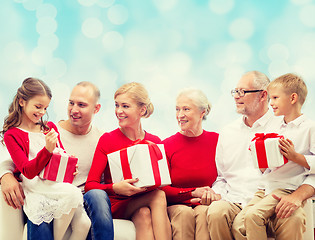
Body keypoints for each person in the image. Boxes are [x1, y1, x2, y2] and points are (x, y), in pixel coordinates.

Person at [206, 71, 315, 240]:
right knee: (219, 214)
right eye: (234, 91)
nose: (236, 96)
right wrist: (216, 194)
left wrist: (297, 195)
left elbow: (302, 167)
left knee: (289, 218)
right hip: (241, 198)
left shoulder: (282, 125)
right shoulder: (228, 132)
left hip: (277, 193)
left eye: (242, 91)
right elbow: (222, 177)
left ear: (262, 95)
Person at [0, 81, 114, 240]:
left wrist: (69, 165)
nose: (42, 112)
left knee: (84, 223)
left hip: (60, 185)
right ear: (21, 102)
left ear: (96, 109)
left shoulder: (50, 127)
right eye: (71, 103)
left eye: (45, 108)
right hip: (39, 186)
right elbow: (23, 167)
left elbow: (61, 154)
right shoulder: (16, 134)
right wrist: (4, 174)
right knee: (70, 195)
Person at [85, 82, 172, 240]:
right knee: (158, 196)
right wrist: (115, 188)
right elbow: (90, 185)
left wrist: (191, 192)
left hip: (141, 203)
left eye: (125, 106)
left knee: (144, 214)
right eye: (117, 105)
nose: (119, 111)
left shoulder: (154, 142)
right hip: (117, 203)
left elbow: (164, 185)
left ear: (142, 110)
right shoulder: (108, 139)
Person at [161, 88, 219, 240]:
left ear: (202, 112)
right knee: (183, 214)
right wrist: (192, 193)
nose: (180, 115)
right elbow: (161, 190)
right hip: (177, 206)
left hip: (206, 204)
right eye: (177, 109)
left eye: (186, 109)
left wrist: (213, 196)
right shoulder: (166, 145)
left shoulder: (217, 141)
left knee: (204, 212)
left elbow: (228, 178)